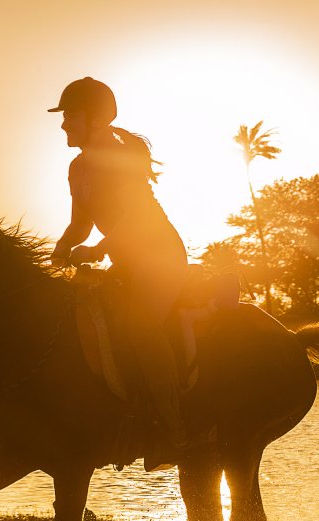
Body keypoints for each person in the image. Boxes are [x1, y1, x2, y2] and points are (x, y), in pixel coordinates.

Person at [48, 77, 191, 459]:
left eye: (70, 116)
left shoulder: (120, 158)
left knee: (139, 324)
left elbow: (137, 216)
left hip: (161, 258)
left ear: (95, 118)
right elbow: (80, 223)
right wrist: (60, 250)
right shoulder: (77, 168)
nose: (63, 125)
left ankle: (172, 425)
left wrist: (100, 248)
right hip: (127, 262)